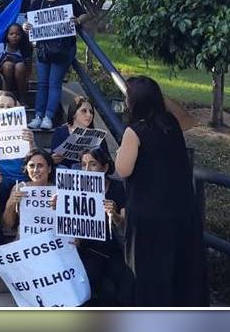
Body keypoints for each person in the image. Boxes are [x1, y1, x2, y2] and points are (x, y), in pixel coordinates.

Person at [114, 76, 209, 306]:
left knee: (149, 274)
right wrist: (154, 96)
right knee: (177, 271)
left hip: (148, 215)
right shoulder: (172, 124)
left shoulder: (134, 132)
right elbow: (189, 119)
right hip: (180, 210)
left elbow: (123, 169)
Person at [23, 0, 90, 130]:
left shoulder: (69, 2)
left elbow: (85, 15)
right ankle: (38, 116)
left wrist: (78, 20)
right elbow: (28, 22)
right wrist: (26, 26)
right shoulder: (37, 3)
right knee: (42, 84)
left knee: (54, 83)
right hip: (43, 50)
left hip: (63, 49)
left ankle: (49, 117)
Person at [76, 146, 133, 306]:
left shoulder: (118, 188)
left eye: (93, 164)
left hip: (115, 250)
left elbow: (124, 224)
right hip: (88, 250)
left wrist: (114, 215)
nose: (87, 169)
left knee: (125, 285)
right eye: (83, 165)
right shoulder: (75, 187)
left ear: (105, 167)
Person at [0, 90, 36, 225]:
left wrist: (31, 143)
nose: (4, 110)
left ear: (15, 109)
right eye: (1, 106)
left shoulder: (24, 129)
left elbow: (34, 158)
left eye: (9, 107)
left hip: (21, 178)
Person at [1, 148, 56, 233]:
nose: (35, 170)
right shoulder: (19, 188)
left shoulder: (57, 191)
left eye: (40, 165)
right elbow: (7, 225)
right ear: (26, 168)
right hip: (25, 242)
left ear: (49, 169)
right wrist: (11, 203)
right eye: (31, 166)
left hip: (52, 242)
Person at [50, 95, 96, 169]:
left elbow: (110, 167)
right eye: (84, 111)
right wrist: (54, 159)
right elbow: (52, 160)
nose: (89, 115)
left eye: (91, 112)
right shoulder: (60, 132)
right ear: (74, 113)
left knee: (77, 167)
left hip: (88, 173)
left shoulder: (97, 135)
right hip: (65, 173)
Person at [0, 24, 33, 102]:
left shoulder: (24, 49)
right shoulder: (0, 47)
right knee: (8, 65)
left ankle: (22, 98)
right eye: (11, 34)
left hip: (20, 80)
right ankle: (6, 96)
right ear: (7, 35)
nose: (14, 36)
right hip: (3, 80)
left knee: (20, 66)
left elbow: (28, 69)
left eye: (17, 34)